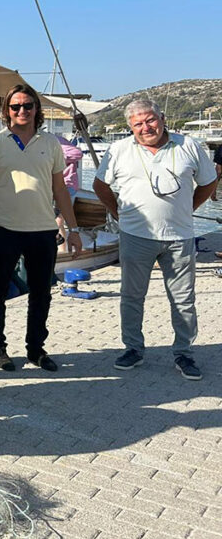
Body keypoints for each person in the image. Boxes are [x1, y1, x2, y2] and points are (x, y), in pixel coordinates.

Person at [92, 99, 217, 381]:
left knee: (183, 299)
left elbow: (209, 182)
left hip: (180, 236)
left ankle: (184, 353)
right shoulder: (119, 150)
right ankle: (133, 349)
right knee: (132, 296)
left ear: (161, 118)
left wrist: (188, 208)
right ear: (130, 127)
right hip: (136, 236)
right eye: (138, 123)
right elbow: (100, 186)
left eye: (150, 120)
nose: (146, 127)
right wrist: (118, 213)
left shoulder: (189, 146)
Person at [0, 83, 82, 373]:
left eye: (27, 105)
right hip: (4, 229)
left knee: (41, 293)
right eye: (15, 106)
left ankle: (36, 349)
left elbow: (60, 189)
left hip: (43, 230)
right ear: (7, 111)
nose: (22, 110)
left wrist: (73, 229)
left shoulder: (50, 144)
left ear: (37, 109)